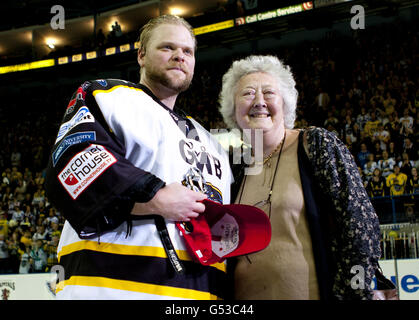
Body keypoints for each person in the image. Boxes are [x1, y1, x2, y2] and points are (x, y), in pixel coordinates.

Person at [44, 15, 233, 300]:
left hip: (197, 292)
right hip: (109, 287)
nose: (179, 56)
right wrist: (154, 197)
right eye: (167, 47)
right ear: (141, 55)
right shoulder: (106, 96)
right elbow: (75, 159)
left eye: (188, 51)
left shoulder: (210, 140)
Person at [218, 55, 381, 300]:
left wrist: (353, 295)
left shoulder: (315, 145)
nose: (259, 101)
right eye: (248, 93)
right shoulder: (234, 167)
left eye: (269, 93)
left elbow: (360, 227)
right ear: (233, 108)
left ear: (285, 104)